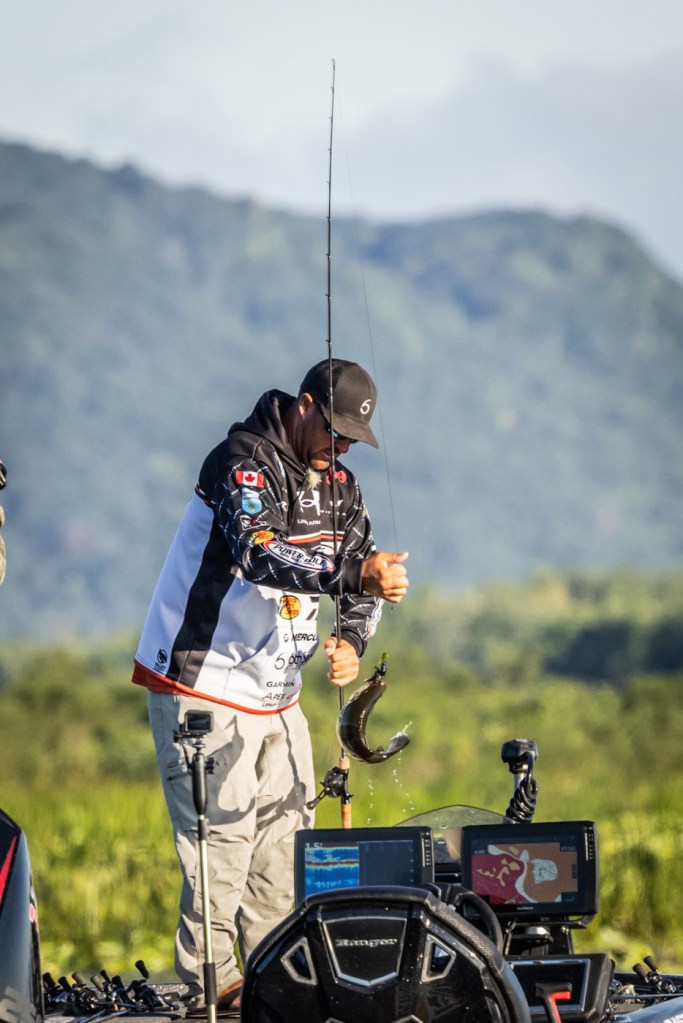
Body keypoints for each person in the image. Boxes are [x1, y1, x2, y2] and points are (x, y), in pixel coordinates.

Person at [132, 359, 408, 1015]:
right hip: (200, 684)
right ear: (304, 405)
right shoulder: (241, 463)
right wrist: (355, 574)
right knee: (221, 847)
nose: (341, 449)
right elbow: (260, 552)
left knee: (285, 846)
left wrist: (351, 640)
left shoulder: (341, 488)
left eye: (352, 440)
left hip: (278, 694)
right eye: (334, 432)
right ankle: (213, 987)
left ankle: (272, 980)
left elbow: (362, 574)